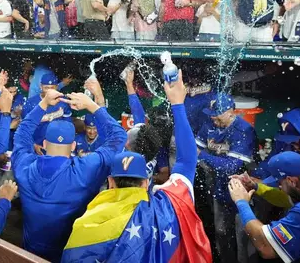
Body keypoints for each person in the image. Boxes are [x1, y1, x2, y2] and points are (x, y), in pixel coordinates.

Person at [62, 75, 212, 262]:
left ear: (110, 181)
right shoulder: (166, 209)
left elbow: (114, 134)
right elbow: (187, 160)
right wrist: (177, 104)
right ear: (146, 182)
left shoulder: (88, 222)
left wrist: (99, 101)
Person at [11, 83, 127, 261]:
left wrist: (43, 104)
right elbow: (119, 136)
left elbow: (22, 133)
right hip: (70, 255)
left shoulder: (25, 167)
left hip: (30, 254)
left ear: (43, 145)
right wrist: (92, 105)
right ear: (73, 146)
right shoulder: (85, 169)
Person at [195, 93, 256, 263]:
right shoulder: (209, 123)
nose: (213, 118)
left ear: (231, 112)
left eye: (217, 114)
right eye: (211, 114)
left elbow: (231, 167)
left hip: (242, 190)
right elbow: (195, 148)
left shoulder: (243, 130)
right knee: (221, 232)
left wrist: (203, 157)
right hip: (218, 187)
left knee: (243, 238)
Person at [20, 72, 72, 149]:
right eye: (46, 88)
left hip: (57, 144)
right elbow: (24, 128)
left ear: (57, 87)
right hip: (36, 144)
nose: (49, 91)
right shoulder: (30, 103)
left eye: (52, 88)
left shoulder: (64, 101)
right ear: (41, 86)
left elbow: (68, 126)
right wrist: (33, 144)